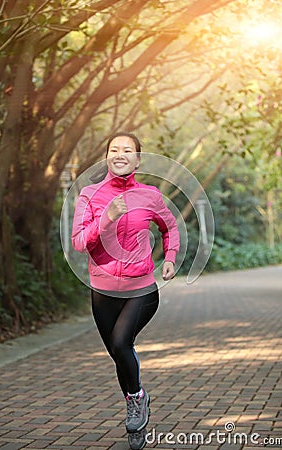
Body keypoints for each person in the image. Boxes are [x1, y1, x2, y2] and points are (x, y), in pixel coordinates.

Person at [72, 132, 180, 449]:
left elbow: (170, 227)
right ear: (107, 156)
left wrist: (170, 258)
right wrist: (107, 218)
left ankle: (137, 399)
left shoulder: (150, 195)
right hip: (102, 292)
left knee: (121, 342)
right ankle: (136, 417)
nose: (120, 154)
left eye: (128, 150)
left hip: (141, 288)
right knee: (120, 353)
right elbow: (80, 243)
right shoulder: (89, 195)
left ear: (138, 159)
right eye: (114, 149)